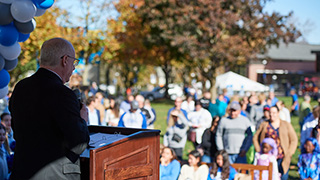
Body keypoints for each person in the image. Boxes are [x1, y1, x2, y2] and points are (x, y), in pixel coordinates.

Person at [9, 38, 90, 179]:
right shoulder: (63, 94)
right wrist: (83, 118)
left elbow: (17, 132)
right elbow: (79, 144)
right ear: (65, 60)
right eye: (74, 62)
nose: (73, 68)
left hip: (23, 172)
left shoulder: (20, 88)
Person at [253, 106, 298, 180]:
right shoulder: (264, 124)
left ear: (278, 113)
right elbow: (255, 137)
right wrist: (259, 149)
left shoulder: (285, 124)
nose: (271, 115)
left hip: (282, 157)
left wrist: (289, 152)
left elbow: (294, 139)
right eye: (270, 112)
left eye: (274, 113)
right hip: (267, 158)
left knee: (283, 177)